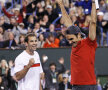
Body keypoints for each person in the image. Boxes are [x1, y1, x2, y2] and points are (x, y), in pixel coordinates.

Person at [56, 0, 98, 90]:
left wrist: (94, 3)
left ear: (79, 35)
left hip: (88, 86)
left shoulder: (90, 43)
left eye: (71, 39)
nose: (70, 42)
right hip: (76, 86)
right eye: (68, 40)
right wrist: (61, 5)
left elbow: (93, 22)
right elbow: (67, 21)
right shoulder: (74, 39)